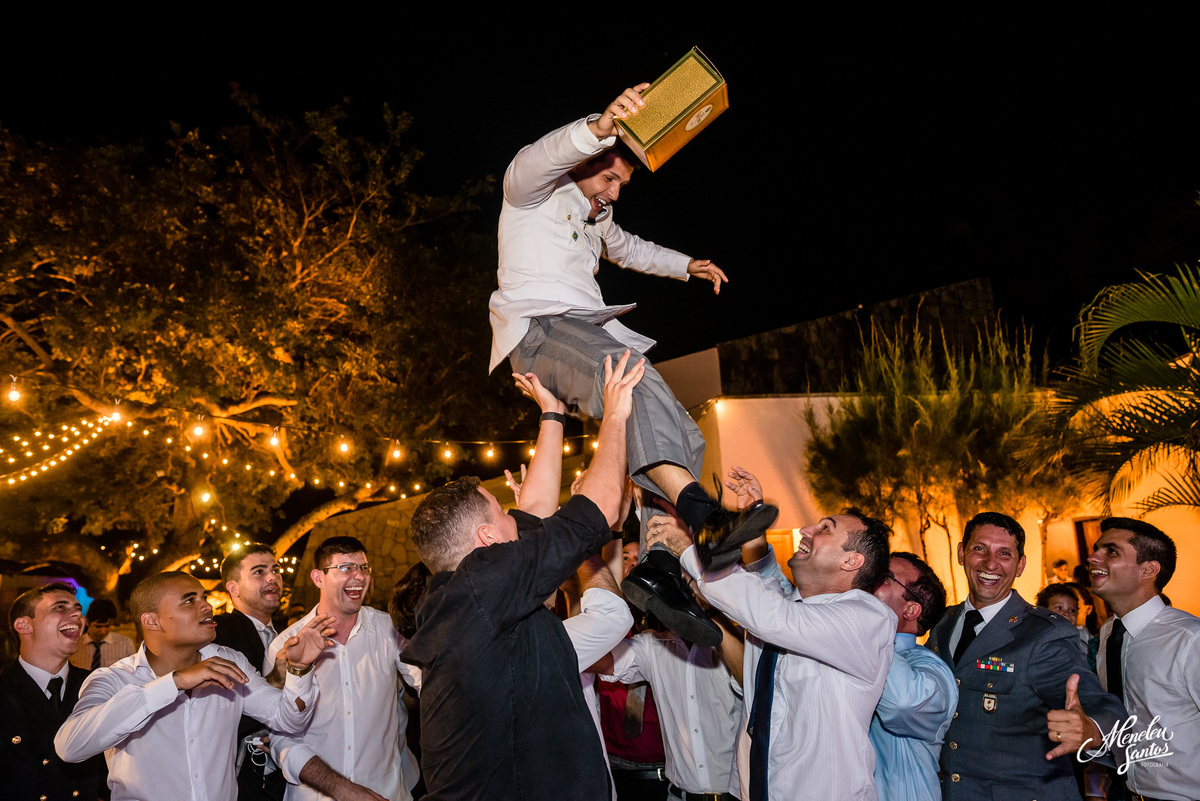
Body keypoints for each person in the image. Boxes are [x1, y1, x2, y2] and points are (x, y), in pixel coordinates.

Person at [489, 83, 775, 643]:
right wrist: (598, 126)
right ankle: (702, 516)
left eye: (623, 183)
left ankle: (662, 562)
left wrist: (686, 264)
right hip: (538, 333)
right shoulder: (530, 193)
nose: (615, 193)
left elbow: (631, 249)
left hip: (578, 333)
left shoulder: (595, 218)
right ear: (586, 163)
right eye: (610, 178)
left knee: (658, 401)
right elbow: (540, 158)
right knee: (629, 370)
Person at [404, 351, 644, 800]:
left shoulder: (467, 595)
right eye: (500, 511)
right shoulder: (484, 582)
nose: (512, 513)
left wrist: (552, 414)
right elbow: (600, 510)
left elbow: (534, 510)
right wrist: (616, 413)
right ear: (486, 540)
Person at [648, 494, 895, 801]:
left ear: (851, 561)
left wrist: (689, 549)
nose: (806, 529)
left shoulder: (868, 619)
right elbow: (762, 583)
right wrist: (752, 516)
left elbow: (770, 614)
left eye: (825, 529)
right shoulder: (788, 607)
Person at [55, 571, 329, 801]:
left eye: (204, 598)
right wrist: (172, 684)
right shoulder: (114, 679)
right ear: (152, 620)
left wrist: (299, 669)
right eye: (189, 600)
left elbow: (287, 720)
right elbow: (70, 747)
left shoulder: (229, 661)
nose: (207, 606)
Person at [927, 512, 1125, 800]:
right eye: (979, 548)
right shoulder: (944, 623)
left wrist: (1090, 728)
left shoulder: (1044, 634)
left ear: (1020, 565)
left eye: (1004, 553)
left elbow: (1094, 701)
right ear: (962, 553)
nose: (990, 563)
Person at [269, 535, 422, 801]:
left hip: (384, 793)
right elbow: (281, 736)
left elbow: (428, 685)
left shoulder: (390, 630)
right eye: (347, 568)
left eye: (364, 568)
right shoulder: (285, 645)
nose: (360, 577)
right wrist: (340, 789)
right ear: (318, 578)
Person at [599, 537, 745, 801]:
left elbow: (751, 683)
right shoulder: (654, 646)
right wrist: (591, 558)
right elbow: (601, 658)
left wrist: (709, 612)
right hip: (675, 795)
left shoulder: (735, 644)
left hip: (734, 795)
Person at [1087, 516, 1199, 801]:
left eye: (1110, 551)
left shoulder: (1189, 639)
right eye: (1096, 548)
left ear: (1148, 570)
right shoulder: (1109, 633)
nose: (1092, 557)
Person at [1, 582, 104, 801]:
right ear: (24, 625)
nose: (77, 613)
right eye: (60, 607)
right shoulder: (4, 688)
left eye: (78, 609)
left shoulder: (98, 685)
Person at [869, 553, 958, 801]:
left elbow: (902, 703)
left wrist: (869, 624)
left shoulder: (929, 668)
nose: (870, 579)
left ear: (910, 609)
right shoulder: (856, 647)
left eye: (884, 577)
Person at [214, 542, 287, 801]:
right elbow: (223, 706)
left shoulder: (291, 633)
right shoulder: (218, 635)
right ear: (233, 587)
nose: (272, 577)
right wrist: (277, 678)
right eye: (259, 571)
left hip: (286, 778)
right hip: (241, 780)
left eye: (275, 569)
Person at [69, 597, 134, 671]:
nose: (103, 631)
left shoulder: (125, 644)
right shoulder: (74, 644)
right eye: (98, 626)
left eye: (107, 626)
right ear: (87, 622)